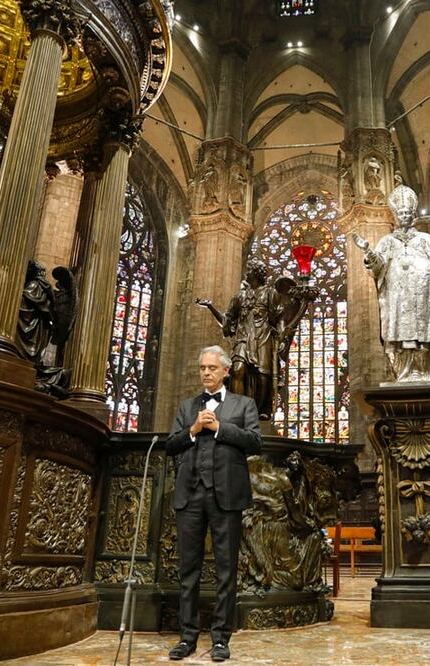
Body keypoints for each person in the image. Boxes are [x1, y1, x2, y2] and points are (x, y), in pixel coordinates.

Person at [165, 346, 262, 662]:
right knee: (188, 571)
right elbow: (170, 445)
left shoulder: (243, 404)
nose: (205, 372)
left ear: (225, 371)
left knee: (225, 570)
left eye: (211, 368)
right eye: (202, 368)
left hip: (227, 496)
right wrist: (193, 430)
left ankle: (221, 639)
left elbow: (254, 442)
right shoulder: (187, 406)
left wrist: (219, 427)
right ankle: (187, 637)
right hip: (190, 496)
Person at [353, 177, 430, 382]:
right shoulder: (387, 241)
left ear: (412, 216)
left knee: (423, 336)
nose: (404, 216)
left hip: (422, 299)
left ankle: (424, 371)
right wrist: (368, 251)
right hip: (397, 300)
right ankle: (403, 373)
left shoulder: (425, 239)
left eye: (407, 213)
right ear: (395, 216)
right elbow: (378, 265)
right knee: (401, 337)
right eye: (400, 213)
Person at [196, 260, 315, 420]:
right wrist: (211, 307)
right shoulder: (240, 296)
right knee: (237, 370)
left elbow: (278, 318)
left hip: (263, 338)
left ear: (256, 274)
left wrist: (282, 334)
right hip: (243, 338)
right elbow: (227, 321)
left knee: (262, 375)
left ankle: (260, 411)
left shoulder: (270, 293)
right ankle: (237, 411)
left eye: (249, 270)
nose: (246, 273)